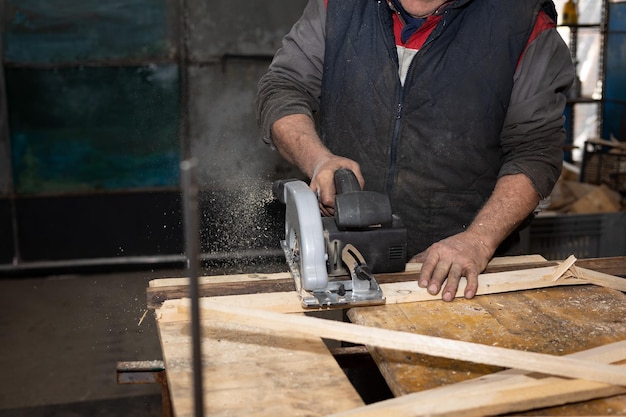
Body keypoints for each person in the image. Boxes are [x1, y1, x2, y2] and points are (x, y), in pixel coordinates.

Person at [256, 0, 575, 301]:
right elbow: (284, 87)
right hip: (349, 259)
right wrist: (318, 159)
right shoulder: (337, 6)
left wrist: (478, 240)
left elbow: (535, 150)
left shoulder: (522, 20)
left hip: (464, 271)